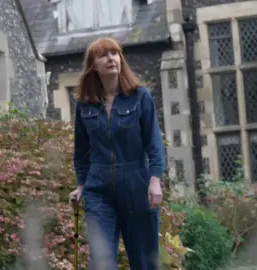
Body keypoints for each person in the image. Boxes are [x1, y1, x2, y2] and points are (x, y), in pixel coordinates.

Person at [68, 37, 165, 270]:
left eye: (115, 53)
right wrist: (81, 186)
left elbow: (154, 143)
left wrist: (155, 180)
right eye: (104, 55)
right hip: (99, 192)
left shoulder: (140, 97)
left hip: (137, 187)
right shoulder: (85, 104)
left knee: (144, 263)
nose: (111, 58)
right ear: (93, 65)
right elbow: (81, 151)